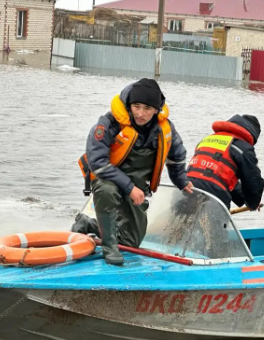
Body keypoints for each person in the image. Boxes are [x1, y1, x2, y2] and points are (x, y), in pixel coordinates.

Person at [78, 78, 193, 265]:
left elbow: (177, 156)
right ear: (129, 104)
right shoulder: (108, 124)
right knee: (107, 190)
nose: (140, 113)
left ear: (157, 110)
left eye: (147, 109)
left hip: (137, 187)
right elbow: (97, 163)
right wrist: (129, 187)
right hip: (108, 179)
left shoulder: (165, 129)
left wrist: (181, 180)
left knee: (131, 242)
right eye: (136, 106)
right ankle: (109, 247)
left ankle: (88, 224)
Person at [186, 114, 264, 211]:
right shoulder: (243, 148)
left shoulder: (207, 139)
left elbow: (220, 176)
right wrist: (253, 203)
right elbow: (253, 181)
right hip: (214, 197)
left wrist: (242, 199)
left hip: (185, 188)